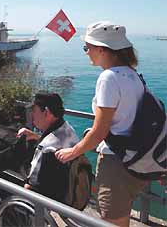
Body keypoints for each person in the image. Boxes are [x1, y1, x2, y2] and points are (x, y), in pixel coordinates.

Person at [55, 21, 147, 227]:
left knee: (110, 221)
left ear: (101, 49)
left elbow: (100, 131)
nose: (87, 52)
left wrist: (73, 152)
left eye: (87, 47)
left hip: (116, 162)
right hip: (136, 160)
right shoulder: (134, 76)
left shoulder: (108, 78)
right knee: (121, 216)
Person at [17, 92, 79, 202]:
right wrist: (37, 137)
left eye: (34, 111)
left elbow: (31, 185)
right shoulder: (68, 129)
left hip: (47, 199)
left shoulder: (45, 146)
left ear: (46, 112)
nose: (32, 115)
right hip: (68, 188)